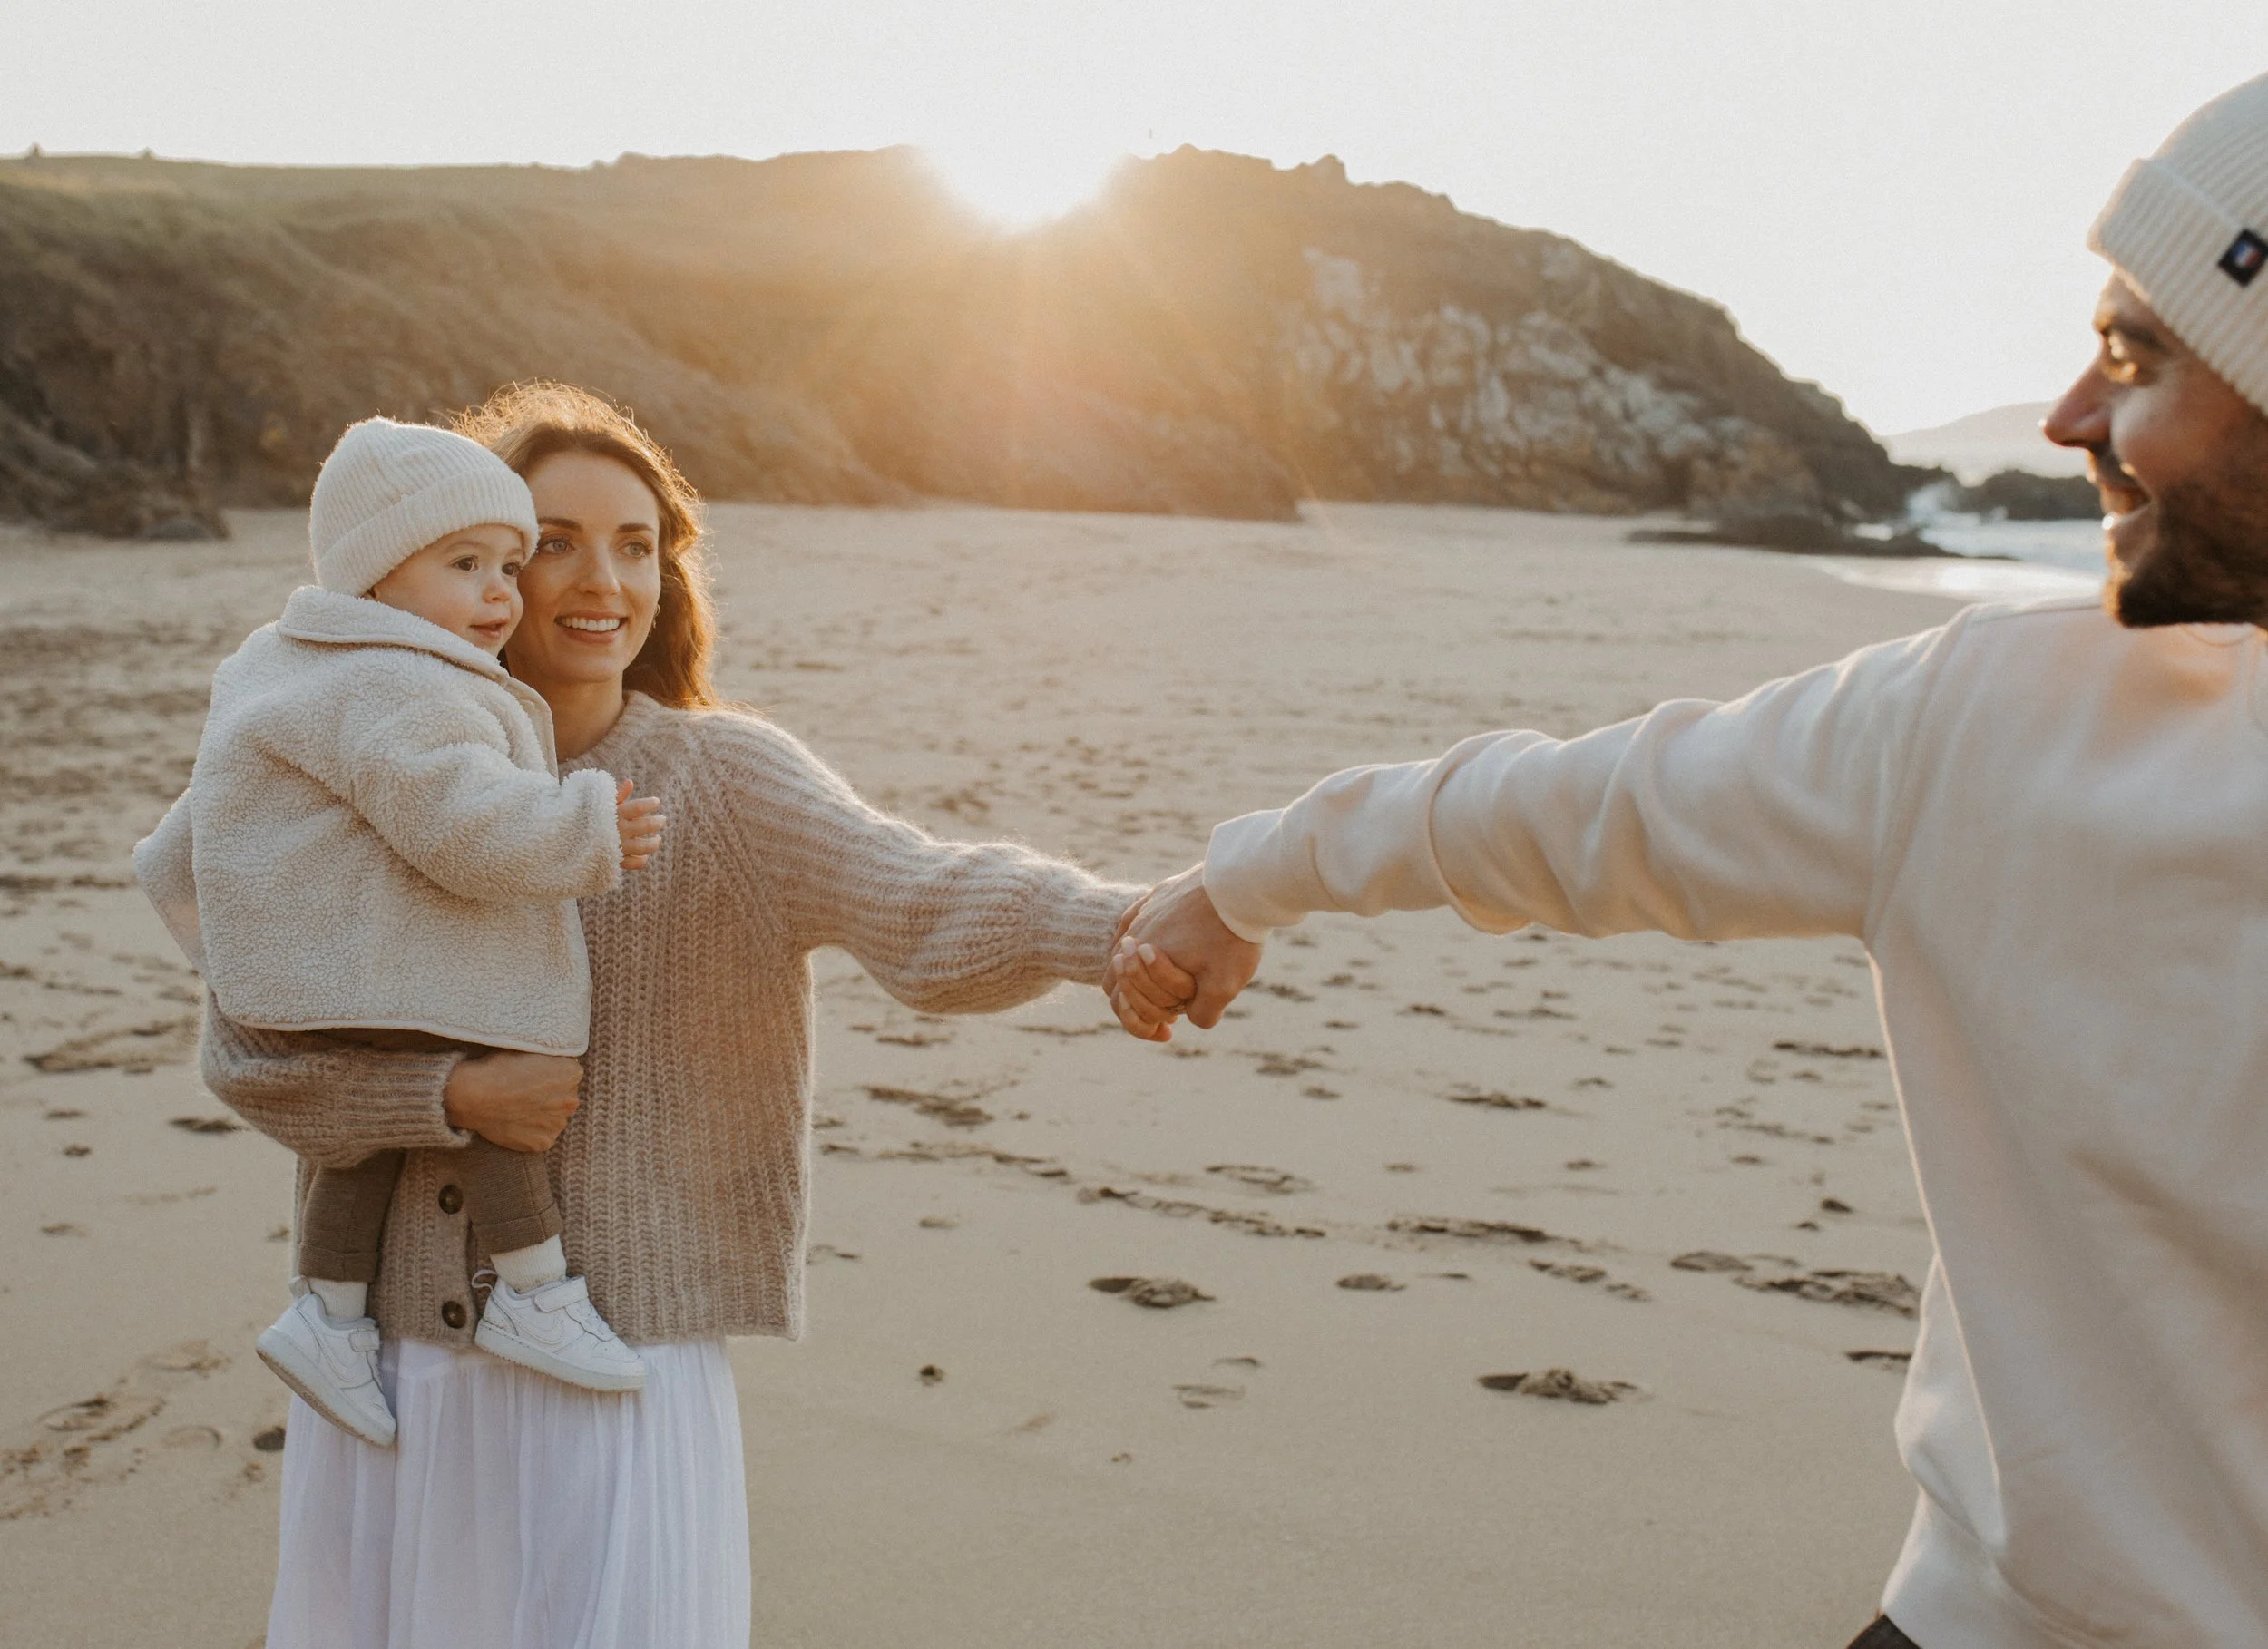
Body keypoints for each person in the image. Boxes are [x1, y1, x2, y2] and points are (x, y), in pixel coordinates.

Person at [1112, 73, 2268, 1649]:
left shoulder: (1990, 719)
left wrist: (1236, 883)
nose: (2069, 417)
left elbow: (1577, 816)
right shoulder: (1995, 721)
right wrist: (1246, 875)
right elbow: (1577, 811)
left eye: (2135, 356)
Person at [196, 383, 1144, 1648]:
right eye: (554, 543)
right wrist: (445, 1100)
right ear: (450, 567)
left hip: (614, 1369)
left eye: (638, 544)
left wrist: (1118, 929)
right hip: (384, 1373)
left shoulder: (722, 781)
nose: (604, 581)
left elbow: (921, 900)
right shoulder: (353, 775)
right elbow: (252, 1053)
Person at [136, 419, 661, 1447]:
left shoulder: (280, 666)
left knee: (367, 1148)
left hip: (326, 969)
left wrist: (226, 934)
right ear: (376, 578)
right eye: (465, 566)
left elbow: (182, 840)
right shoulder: (398, 684)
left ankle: (326, 1313)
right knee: (508, 1084)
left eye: (509, 565)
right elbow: (461, 822)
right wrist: (586, 825)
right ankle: (531, 1285)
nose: (501, 593)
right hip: (369, 966)